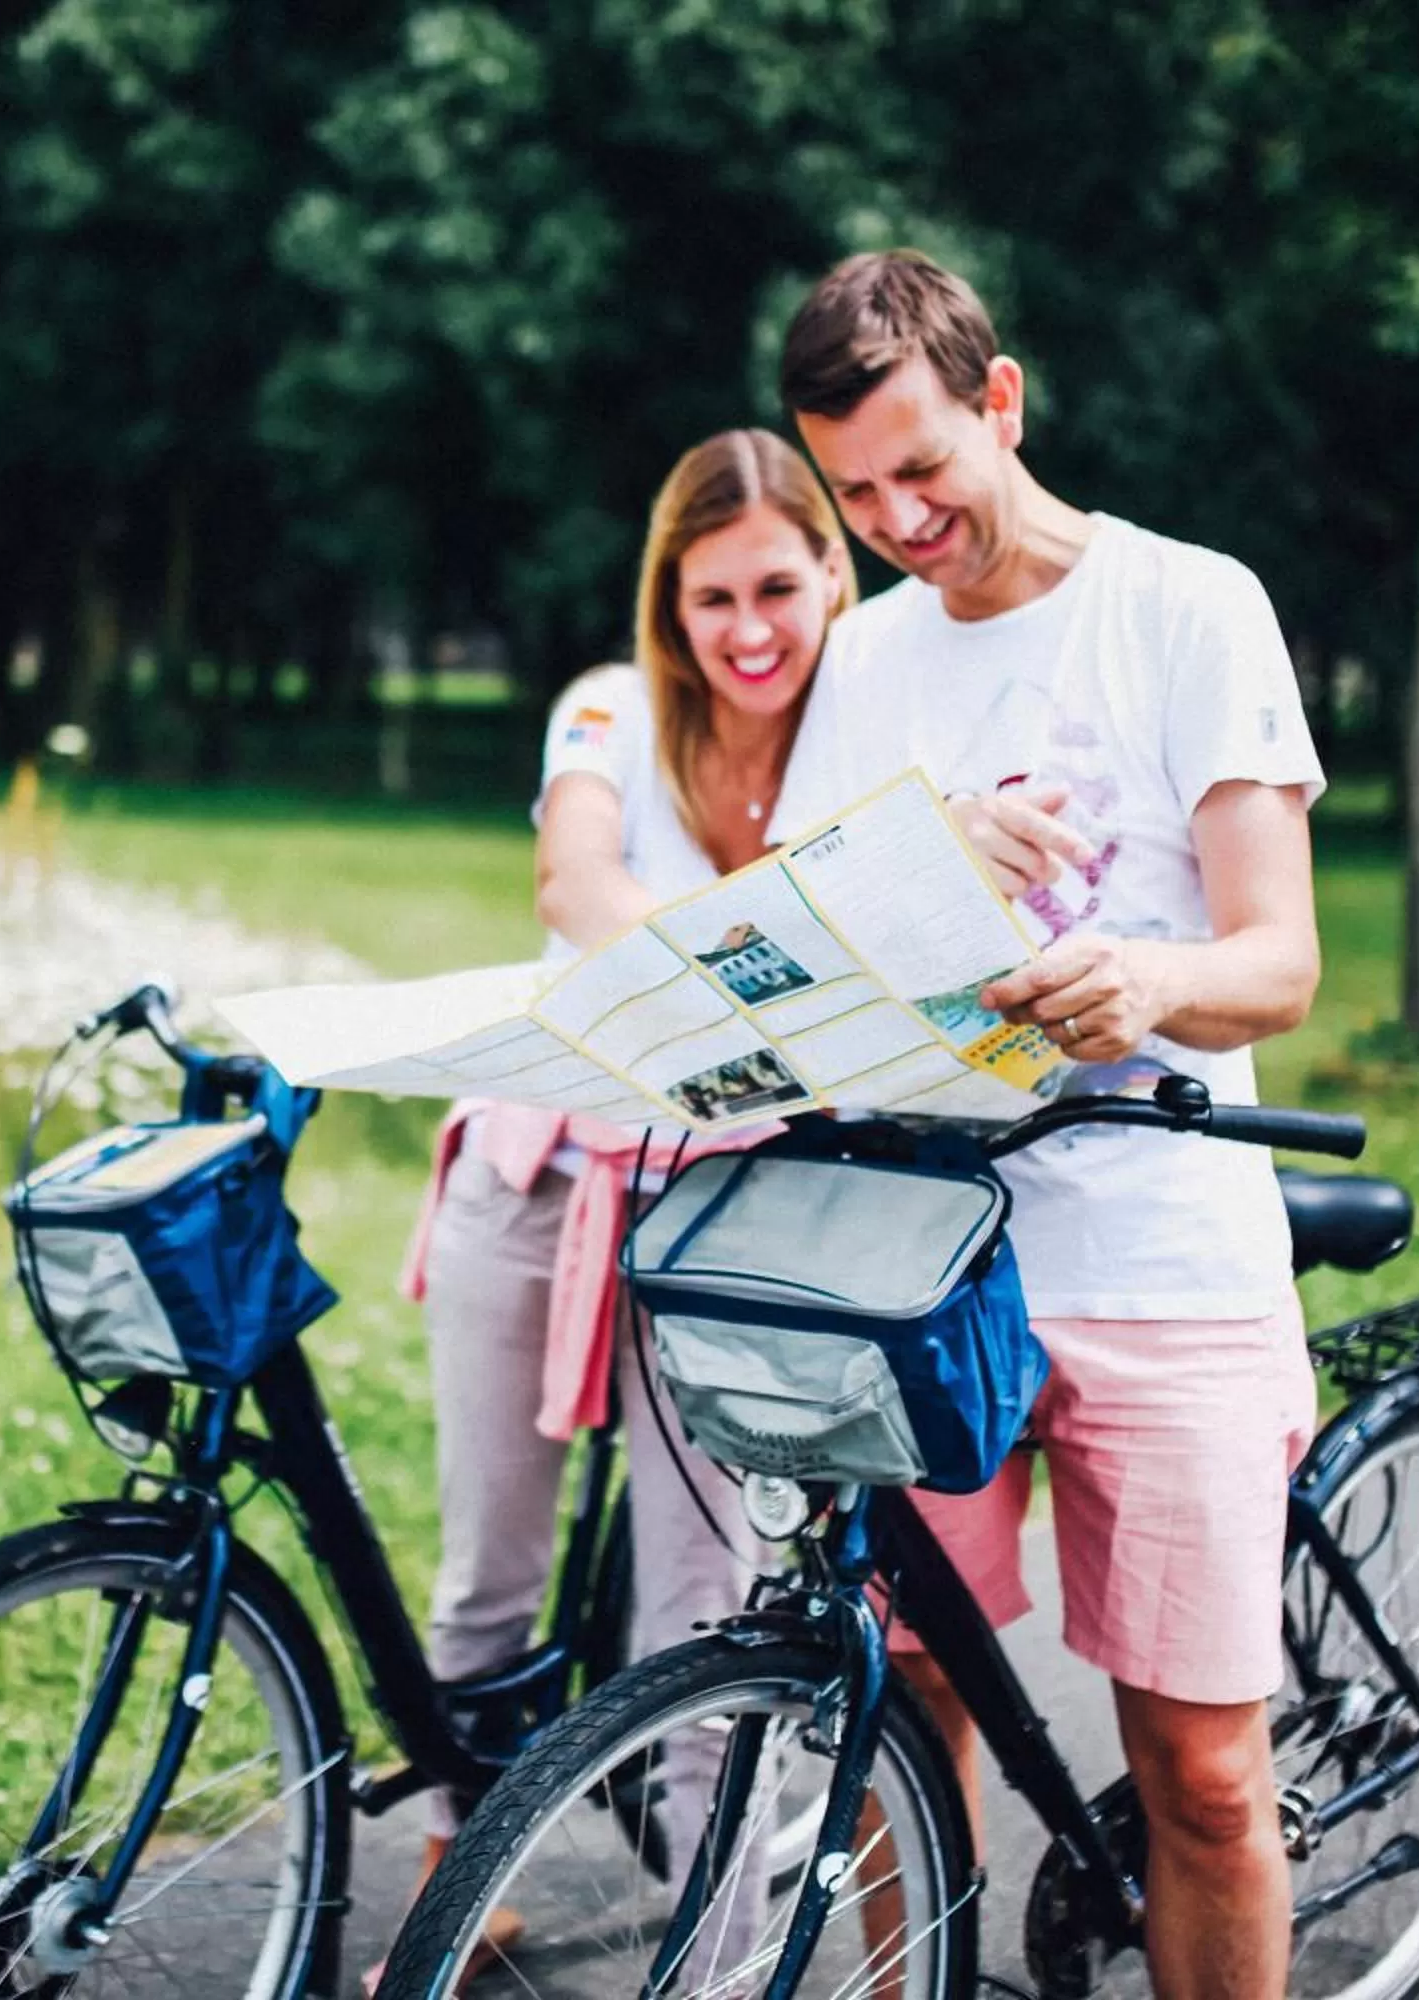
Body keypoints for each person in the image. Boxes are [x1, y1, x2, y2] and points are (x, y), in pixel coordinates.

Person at [774, 250, 1326, 2000]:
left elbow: (1281, 962)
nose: (896, 520)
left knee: (1207, 1774)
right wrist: (908, 873)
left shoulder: (1188, 606)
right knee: (902, 1695)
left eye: (922, 467)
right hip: (931, 1261)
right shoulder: (861, 664)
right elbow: (807, 949)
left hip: (1160, 1256)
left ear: (1001, 399)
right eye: (854, 493)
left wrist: (1150, 986)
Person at [379, 428, 857, 1982]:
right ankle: (463, 1896)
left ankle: (716, 1964)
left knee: (704, 1613)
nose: (748, 630)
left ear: (832, 574)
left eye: (778, 586)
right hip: (542, 1176)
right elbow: (578, 897)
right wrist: (781, 967)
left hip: (731, 1222)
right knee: (485, 1581)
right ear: (670, 601)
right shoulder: (609, 708)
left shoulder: (868, 734)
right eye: (711, 597)